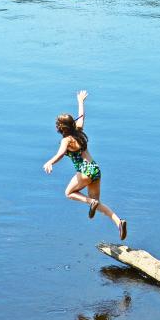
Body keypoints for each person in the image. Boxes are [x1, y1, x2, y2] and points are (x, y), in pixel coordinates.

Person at [43, 90, 127, 240]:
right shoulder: (79, 132)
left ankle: (90, 202)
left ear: (61, 128)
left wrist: (50, 162)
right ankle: (118, 222)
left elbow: (61, 153)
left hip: (84, 171)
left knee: (69, 193)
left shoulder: (66, 140)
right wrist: (81, 101)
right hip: (95, 170)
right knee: (97, 204)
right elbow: (81, 116)